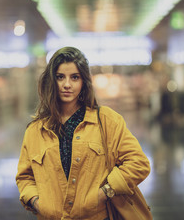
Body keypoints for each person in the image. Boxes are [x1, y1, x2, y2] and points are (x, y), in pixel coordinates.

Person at [16, 46, 150, 220]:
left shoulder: (107, 120)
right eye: (60, 77)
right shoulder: (35, 131)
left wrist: (105, 192)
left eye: (75, 77)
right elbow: (25, 177)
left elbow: (139, 163)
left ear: (83, 82)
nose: (67, 84)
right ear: (51, 81)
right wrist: (37, 202)